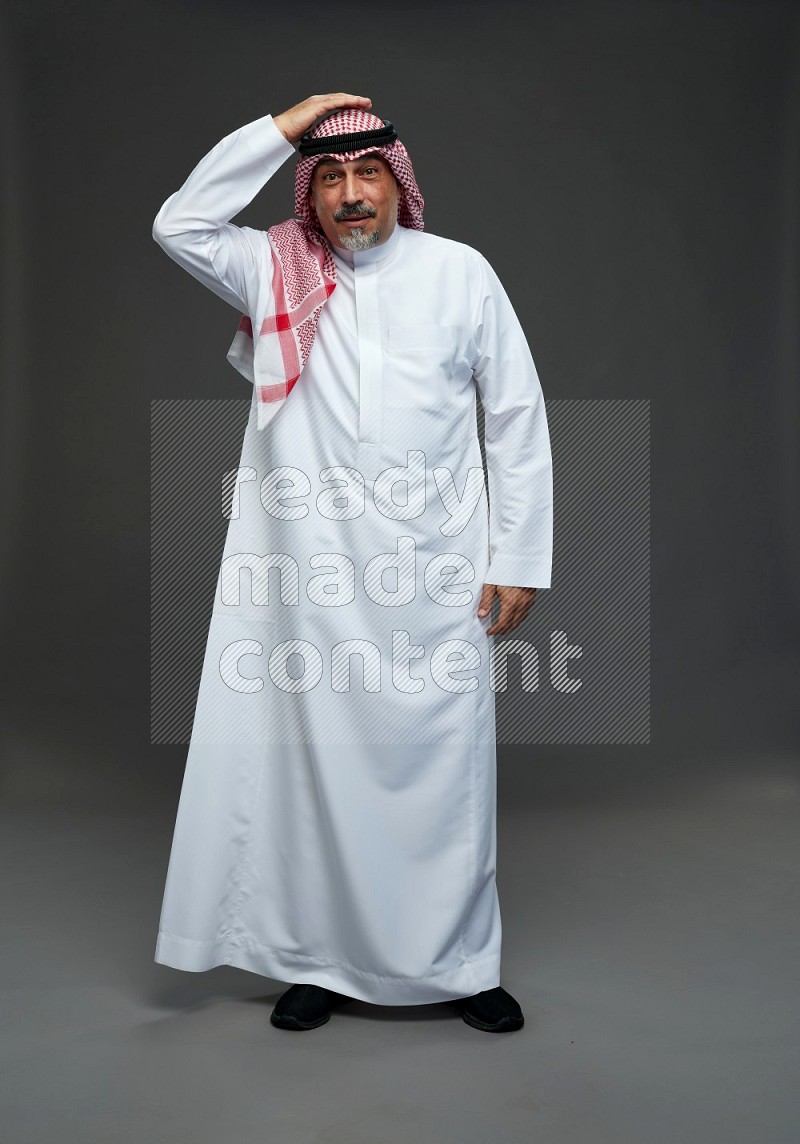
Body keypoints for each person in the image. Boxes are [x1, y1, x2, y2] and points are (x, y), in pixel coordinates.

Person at [151, 93, 553, 1034]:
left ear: (398, 184)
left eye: (367, 173)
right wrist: (282, 126)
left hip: (438, 574)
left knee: (446, 773)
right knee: (314, 773)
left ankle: (461, 965)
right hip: (312, 583)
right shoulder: (274, 269)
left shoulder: (461, 274)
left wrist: (519, 557)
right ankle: (317, 960)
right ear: (311, 194)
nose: (351, 194)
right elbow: (179, 222)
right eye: (328, 177)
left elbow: (517, 419)